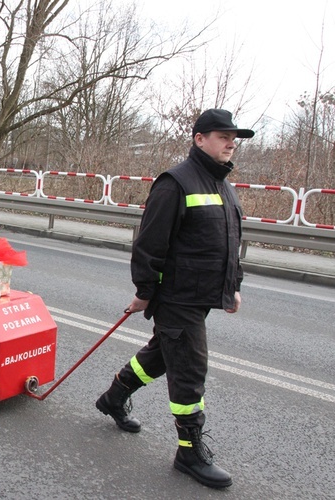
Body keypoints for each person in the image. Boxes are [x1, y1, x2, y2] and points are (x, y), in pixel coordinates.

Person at [95, 109, 253, 490]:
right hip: (177, 297)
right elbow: (149, 244)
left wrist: (232, 286)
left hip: (200, 296)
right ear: (199, 139)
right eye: (222, 136)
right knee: (189, 373)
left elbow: (228, 244)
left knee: (163, 355)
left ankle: (113, 399)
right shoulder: (175, 183)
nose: (231, 143)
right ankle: (189, 452)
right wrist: (145, 293)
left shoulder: (223, 185)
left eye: (234, 137)